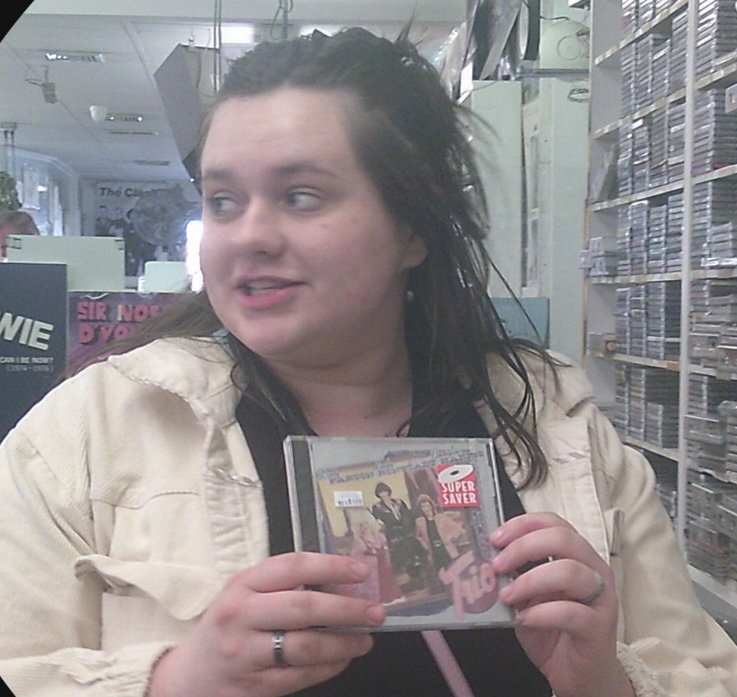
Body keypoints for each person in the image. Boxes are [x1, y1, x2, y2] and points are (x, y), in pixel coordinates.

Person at [0, 25, 735, 697]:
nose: (249, 235)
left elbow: (704, 672)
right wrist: (178, 682)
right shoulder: (93, 430)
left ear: (413, 228)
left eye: (300, 196)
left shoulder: (556, 423)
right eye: (223, 201)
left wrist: (605, 681)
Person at [370, 481, 425, 586]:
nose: (383, 494)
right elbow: (379, 522)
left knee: (415, 553)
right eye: (381, 492)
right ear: (378, 494)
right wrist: (391, 527)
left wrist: (407, 526)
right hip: (394, 535)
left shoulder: (399, 502)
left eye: (385, 491)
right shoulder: (377, 507)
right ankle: (413, 579)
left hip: (406, 532)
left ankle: (420, 576)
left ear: (388, 491)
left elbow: (407, 514)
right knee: (404, 557)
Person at [414, 494, 468, 573]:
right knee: (440, 574)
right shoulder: (419, 522)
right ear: (421, 509)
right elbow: (418, 536)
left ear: (431, 506)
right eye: (423, 507)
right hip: (434, 552)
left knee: (453, 571)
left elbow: (458, 529)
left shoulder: (441, 518)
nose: (426, 509)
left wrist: (450, 537)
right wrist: (425, 545)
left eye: (427, 506)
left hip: (446, 550)